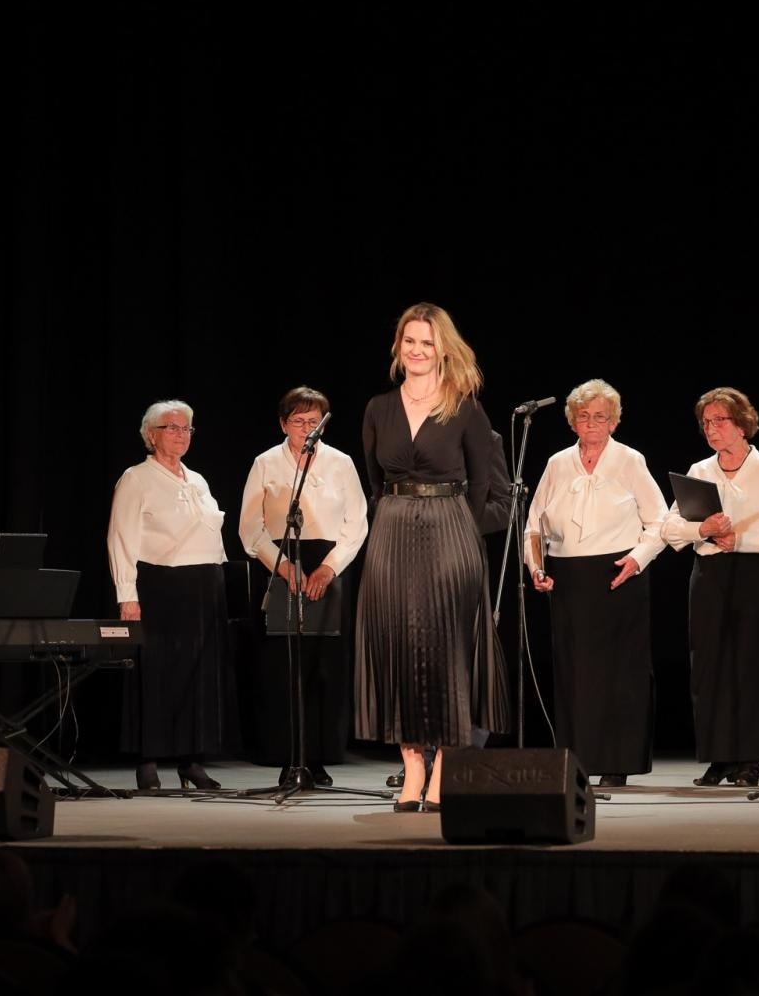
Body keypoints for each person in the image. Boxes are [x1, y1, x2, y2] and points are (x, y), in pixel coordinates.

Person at [354, 302, 508, 812]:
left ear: (443, 348)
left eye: (427, 342)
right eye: (409, 341)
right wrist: (395, 519)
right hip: (392, 533)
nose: (417, 351)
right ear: (398, 346)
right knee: (397, 645)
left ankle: (444, 768)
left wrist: (454, 531)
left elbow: (482, 486)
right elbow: (376, 483)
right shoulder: (378, 408)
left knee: (448, 653)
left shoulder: (465, 406)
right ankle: (413, 767)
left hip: (450, 532)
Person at [525, 378, 667, 787]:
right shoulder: (557, 463)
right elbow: (533, 526)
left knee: (619, 674)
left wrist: (638, 560)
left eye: (601, 417)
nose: (592, 423)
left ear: (614, 422)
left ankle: (617, 762)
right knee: (575, 673)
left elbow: (661, 520)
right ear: (572, 421)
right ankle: (577, 762)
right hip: (568, 578)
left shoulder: (630, 460)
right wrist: (536, 568)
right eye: (584, 416)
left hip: (617, 575)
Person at [238, 386, 368, 787]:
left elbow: (356, 522)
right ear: (283, 424)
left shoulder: (340, 463)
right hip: (280, 563)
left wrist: (328, 569)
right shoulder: (265, 463)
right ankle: (286, 757)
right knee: (284, 668)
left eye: (314, 422)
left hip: (327, 566)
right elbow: (249, 527)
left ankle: (320, 757)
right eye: (299, 421)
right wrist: (284, 568)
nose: (307, 428)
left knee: (322, 669)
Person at [660, 387, 759, 787]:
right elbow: (669, 528)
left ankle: (749, 758)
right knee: (710, 666)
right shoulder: (700, 471)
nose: (712, 429)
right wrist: (703, 529)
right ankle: (718, 757)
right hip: (710, 575)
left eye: (721, 421)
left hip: (756, 574)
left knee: (750, 666)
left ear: (742, 424)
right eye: (707, 423)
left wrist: (741, 541)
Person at [107, 399, 235, 790]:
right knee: (156, 672)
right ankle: (148, 760)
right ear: (151, 434)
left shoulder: (197, 480)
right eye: (172, 428)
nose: (181, 435)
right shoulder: (136, 479)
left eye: (186, 429)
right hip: (160, 585)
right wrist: (126, 594)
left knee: (198, 675)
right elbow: (121, 538)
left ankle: (190, 760)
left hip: (203, 585)